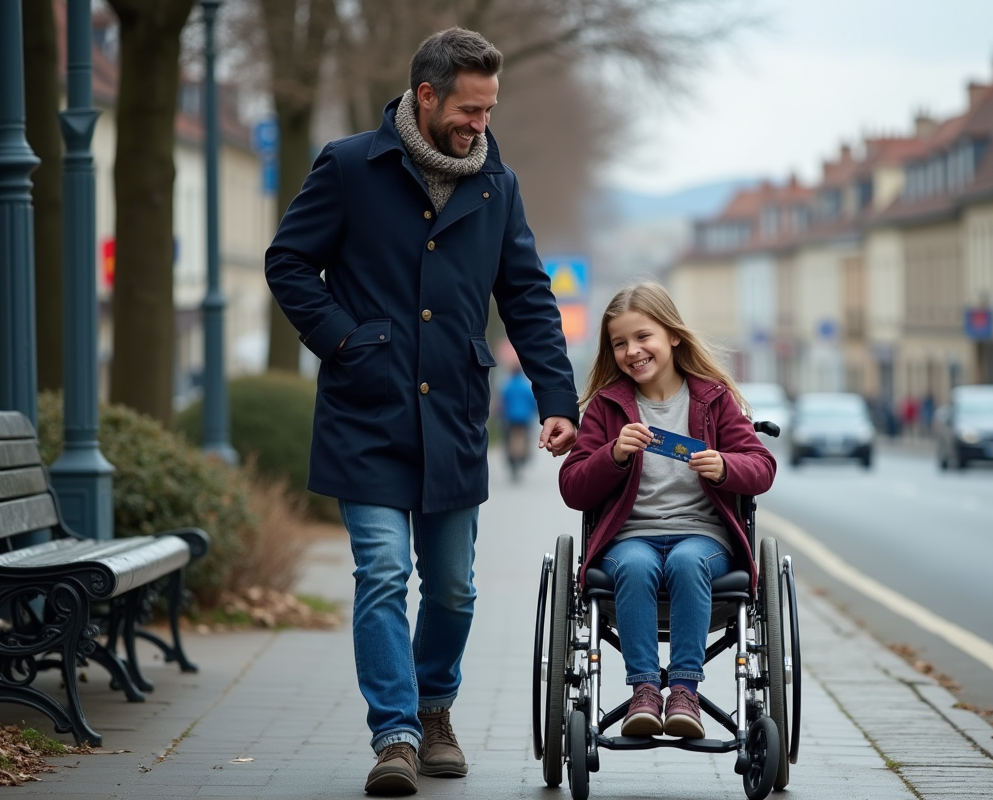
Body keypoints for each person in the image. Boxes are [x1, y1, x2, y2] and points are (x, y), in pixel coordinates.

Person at [264, 28, 578, 797]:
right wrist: (344, 341)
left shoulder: (496, 183)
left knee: (452, 589)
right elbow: (289, 262)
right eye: (470, 109)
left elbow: (529, 297)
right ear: (427, 96)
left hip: (455, 416)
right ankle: (397, 733)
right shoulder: (347, 165)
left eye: (490, 109)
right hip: (364, 409)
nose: (481, 123)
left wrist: (557, 398)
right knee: (380, 573)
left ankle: (435, 707)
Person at [558, 282, 776, 739]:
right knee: (636, 565)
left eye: (643, 337)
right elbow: (574, 488)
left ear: (672, 336)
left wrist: (724, 466)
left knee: (686, 559)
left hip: (703, 539)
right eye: (620, 343)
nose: (632, 351)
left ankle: (683, 692)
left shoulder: (712, 400)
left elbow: (762, 466)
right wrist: (612, 454)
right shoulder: (607, 407)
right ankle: (643, 691)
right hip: (628, 539)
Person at [500, 365, 538, 481]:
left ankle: (512, 460)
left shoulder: (507, 386)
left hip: (510, 418)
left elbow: (502, 402)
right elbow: (533, 402)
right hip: (524, 418)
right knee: (525, 438)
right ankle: (523, 456)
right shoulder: (525, 386)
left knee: (509, 439)